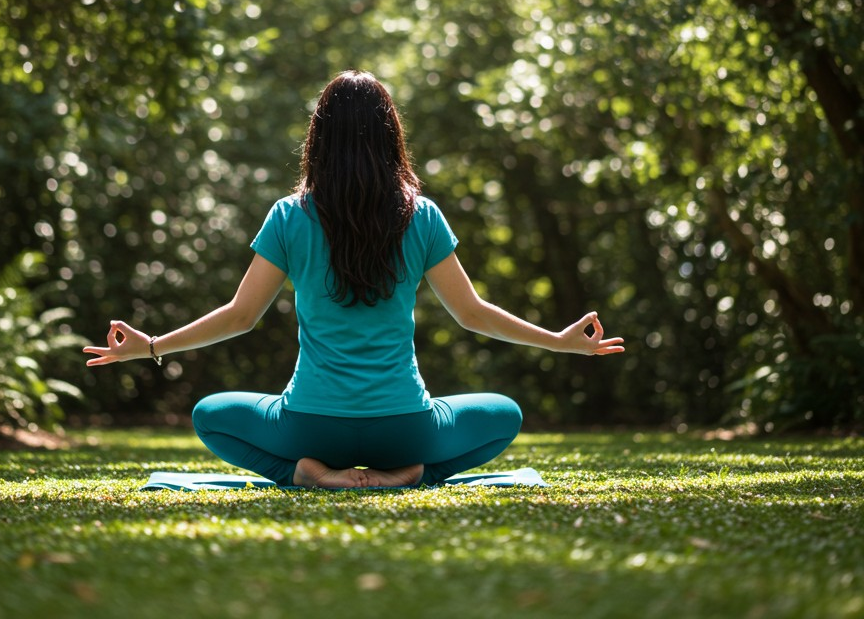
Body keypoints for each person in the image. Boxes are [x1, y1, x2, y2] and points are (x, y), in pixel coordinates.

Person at [83, 70, 624, 489]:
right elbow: (472, 313)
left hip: (309, 425)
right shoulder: (422, 216)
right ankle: (410, 474)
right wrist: (557, 342)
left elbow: (240, 316)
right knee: (505, 415)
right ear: (392, 136)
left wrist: (152, 346)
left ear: (319, 137)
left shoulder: (290, 216)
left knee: (209, 415)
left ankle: (308, 474)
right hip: (405, 426)